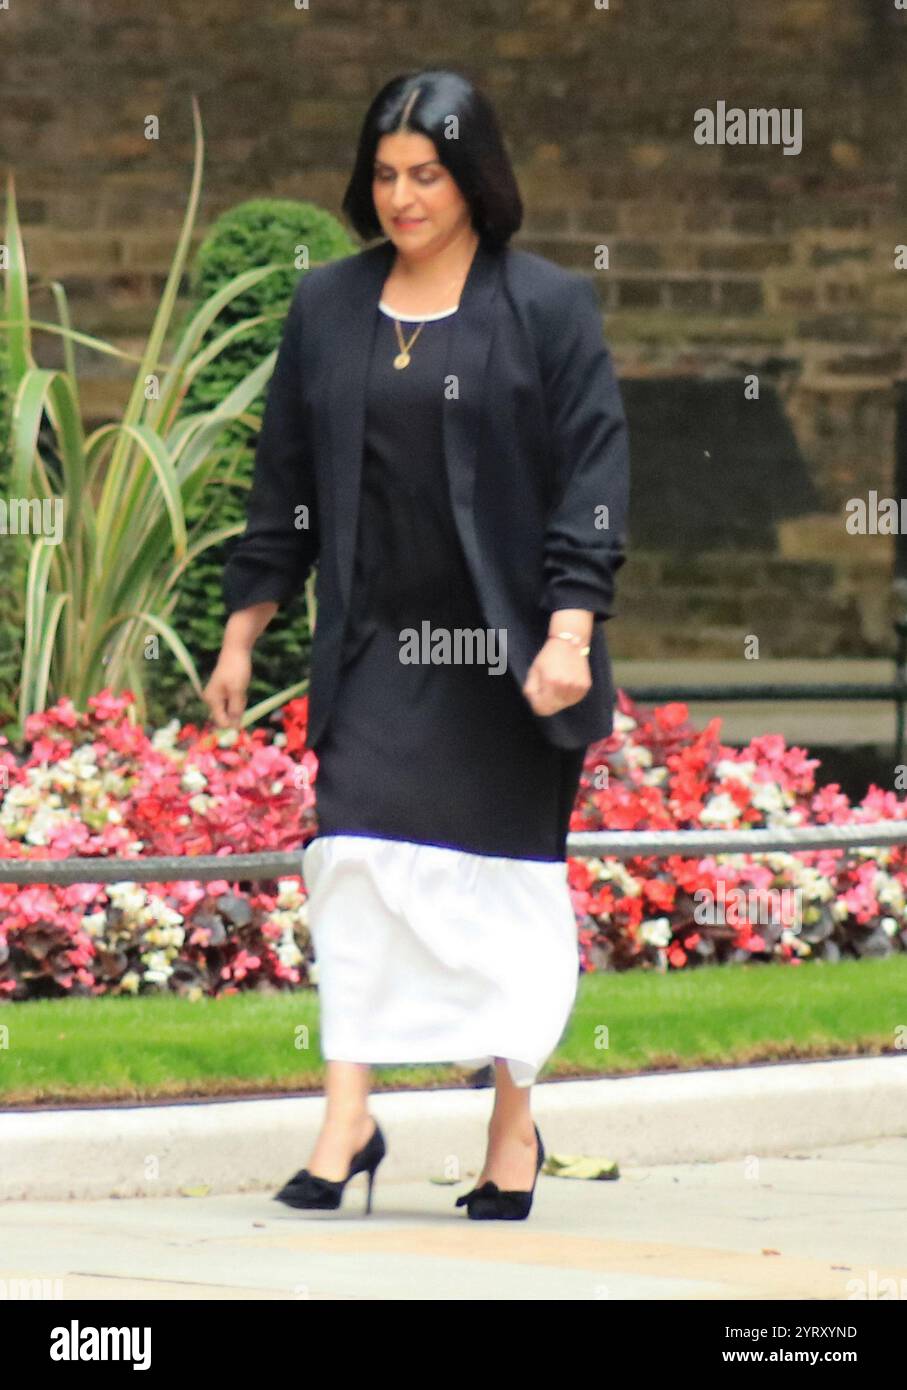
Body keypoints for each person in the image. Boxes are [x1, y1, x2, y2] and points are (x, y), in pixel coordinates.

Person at [202, 68, 630, 1221]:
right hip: (377, 646)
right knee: (350, 866)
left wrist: (572, 632)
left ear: (473, 178)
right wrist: (244, 630)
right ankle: (349, 1121)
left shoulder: (545, 308)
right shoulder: (328, 308)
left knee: (498, 894)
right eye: (385, 175)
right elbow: (282, 483)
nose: (402, 196)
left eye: (426, 174)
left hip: (505, 656)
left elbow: (593, 478)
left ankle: (511, 1130)